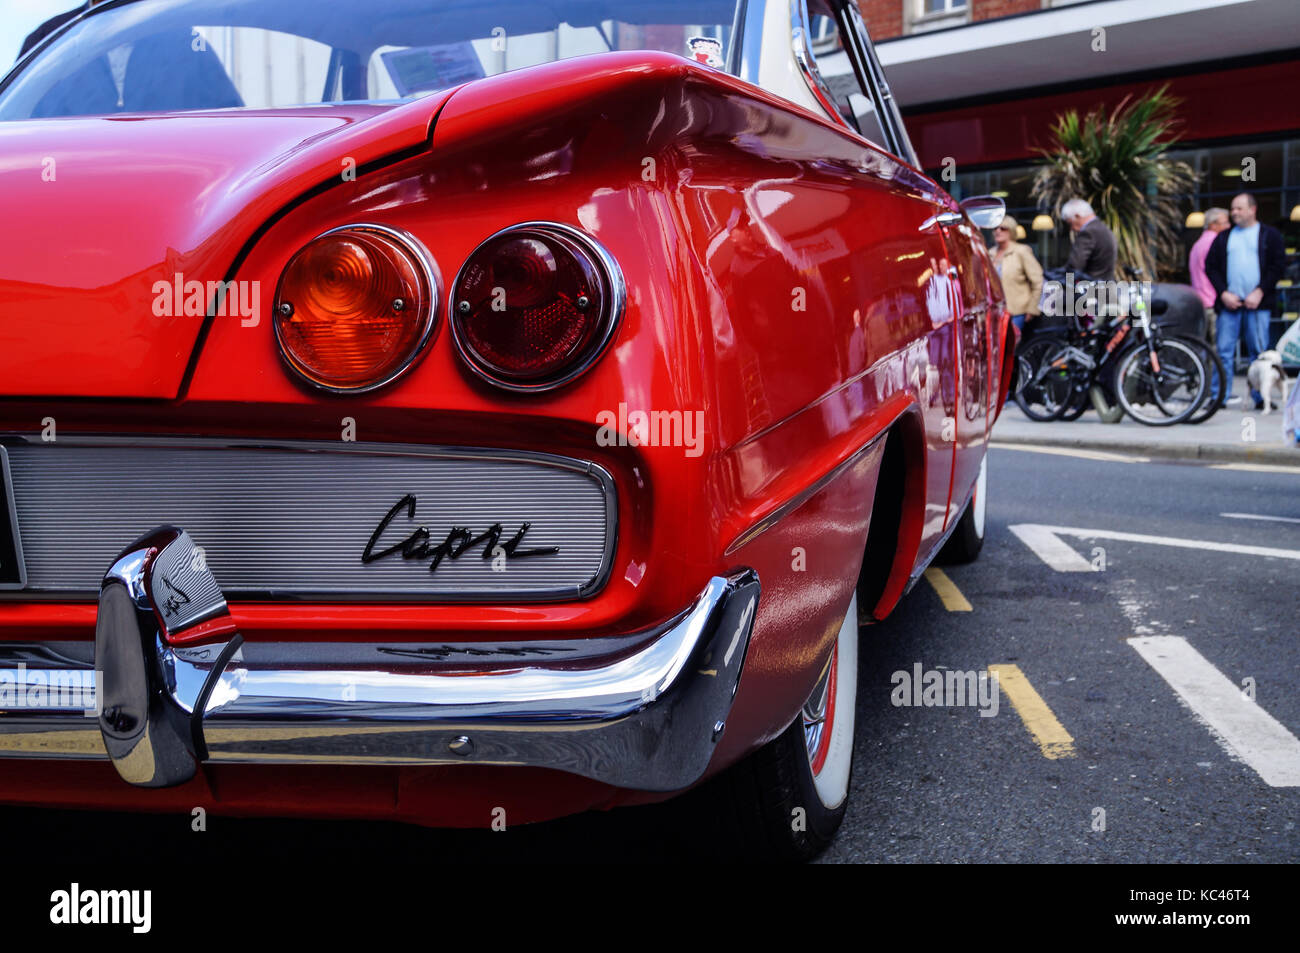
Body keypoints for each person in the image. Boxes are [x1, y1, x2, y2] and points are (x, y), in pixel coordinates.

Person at [1205, 192, 1286, 408]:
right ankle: (1218, 396)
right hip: (1229, 304)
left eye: (1239, 208)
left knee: (1258, 353)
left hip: (1258, 304)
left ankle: (1261, 398)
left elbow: (1278, 266)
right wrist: (1223, 292)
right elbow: (1210, 267)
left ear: (1253, 209)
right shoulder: (1224, 237)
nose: (1234, 213)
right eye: (1232, 209)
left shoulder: (1270, 235)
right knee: (1223, 352)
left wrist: (1260, 291)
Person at [989, 215, 1043, 334]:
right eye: (995, 228)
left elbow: (1038, 281)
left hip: (1017, 312)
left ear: (1011, 231)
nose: (998, 231)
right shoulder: (990, 253)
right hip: (994, 312)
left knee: (1011, 348)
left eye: (1003, 228)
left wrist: (1032, 308)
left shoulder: (1021, 251)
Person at [1188, 207, 1230, 345]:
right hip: (1213, 302)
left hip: (1199, 303)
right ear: (1213, 224)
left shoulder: (1197, 244)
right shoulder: (1216, 243)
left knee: (1204, 349)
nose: (1228, 226)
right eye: (1225, 223)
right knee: (1217, 349)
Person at [1061, 198, 1117, 282]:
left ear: (1077, 216)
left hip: (1091, 290)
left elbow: (1074, 266)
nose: (1071, 229)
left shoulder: (1088, 233)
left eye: (1070, 223)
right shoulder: (1104, 229)